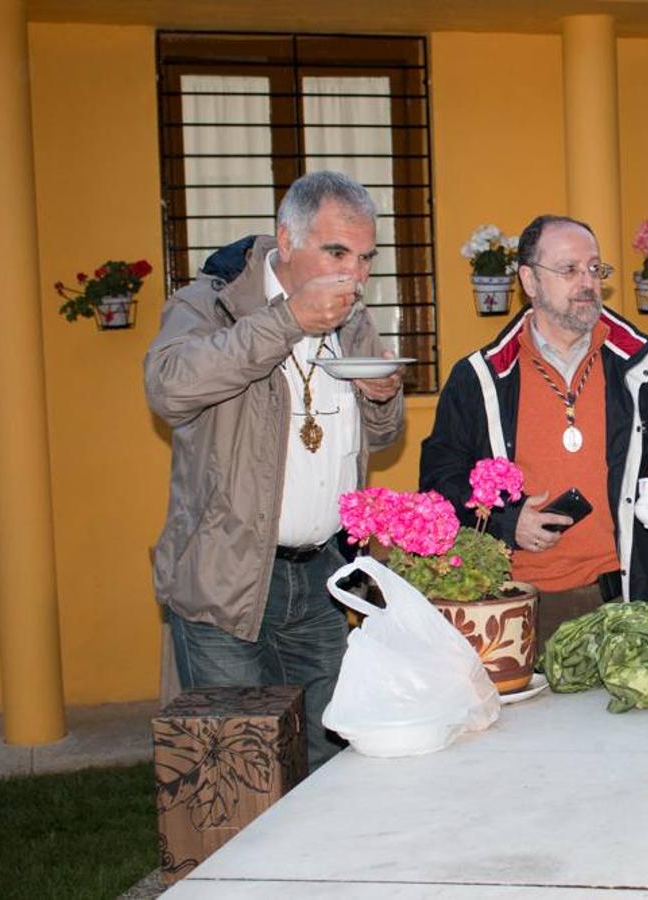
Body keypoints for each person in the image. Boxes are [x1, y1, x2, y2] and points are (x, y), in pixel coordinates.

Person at [145, 170, 405, 768]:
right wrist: (289, 321)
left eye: (365, 258)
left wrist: (383, 395)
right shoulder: (210, 303)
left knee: (332, 758)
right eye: (337, 252)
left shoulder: (355, 321)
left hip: (319, 578)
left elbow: (381, 439)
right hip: (227, 579)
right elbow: (168, 388)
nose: (354, 275)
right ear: (286, 242)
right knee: (241, 771)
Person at [419, 214, 648, 648]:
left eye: (594, 269)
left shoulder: (642, 363)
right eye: (569, 270)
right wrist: (506, 523)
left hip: (625, 595)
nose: (587, 282)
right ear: (529, 281)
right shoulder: (479, 377)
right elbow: (438, 482)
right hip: (515, 603)